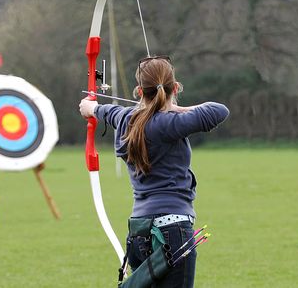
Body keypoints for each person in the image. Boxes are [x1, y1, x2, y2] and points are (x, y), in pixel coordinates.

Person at [79, 56, 229, 288]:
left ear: (139, 91)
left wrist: (92, 107)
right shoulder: (169, 123)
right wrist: (174, 107)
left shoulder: (125, 118)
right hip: (173, 230)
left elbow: (106, 111)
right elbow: (218, 110)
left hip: (139, 231)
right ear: (176, 87)